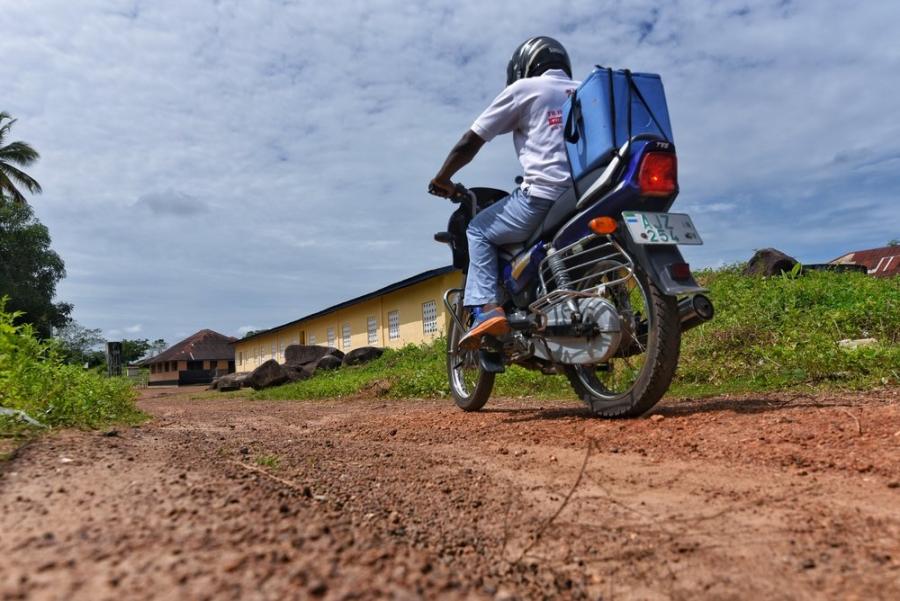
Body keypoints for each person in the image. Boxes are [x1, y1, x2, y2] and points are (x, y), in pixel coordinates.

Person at [429, 36, 579, 349]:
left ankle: (485, 309)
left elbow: (470, 142)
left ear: (526, 65)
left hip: (543, 194)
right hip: (584, 192)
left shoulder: (526, 89)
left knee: (479, 229)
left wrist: (443, 177)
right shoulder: (586, 89)